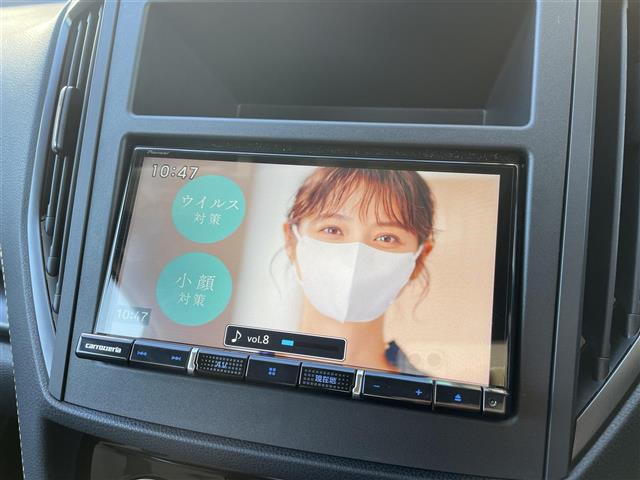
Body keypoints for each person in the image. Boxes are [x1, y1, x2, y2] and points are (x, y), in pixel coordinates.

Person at [282, 167, 435, 372]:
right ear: (291, 241)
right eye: (332, 229)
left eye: (386, 238)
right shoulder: (242, 373)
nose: (356, 256)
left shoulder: (427, 393)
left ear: (419, 259)